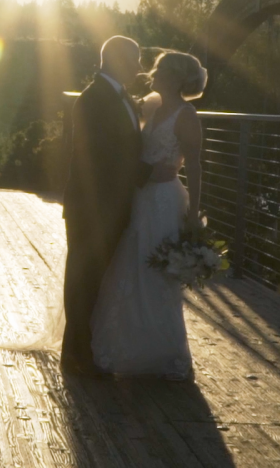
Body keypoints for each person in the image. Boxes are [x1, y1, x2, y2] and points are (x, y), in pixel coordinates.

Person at [60, 36, 176, 375]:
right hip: (92, 205)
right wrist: (149, 171)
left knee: (92, 280)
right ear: (117, 60)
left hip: (110, 204)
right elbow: (100, 154)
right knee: (82, 279)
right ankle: (76, 357)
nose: (139, 68)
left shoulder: (118, 97)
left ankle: (81, 353)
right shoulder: (93, 99)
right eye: (135, 60)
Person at [89, 50, 207, 379]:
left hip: (165, 201)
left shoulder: (187, 115)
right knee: (127, 268)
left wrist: (194, 215)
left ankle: (161, 353)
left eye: (157, 70)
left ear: (171, 77)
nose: (150, 74)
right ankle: (121, 345)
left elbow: (195, 167)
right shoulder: (151, 106)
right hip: (138, 196)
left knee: (155, 275)